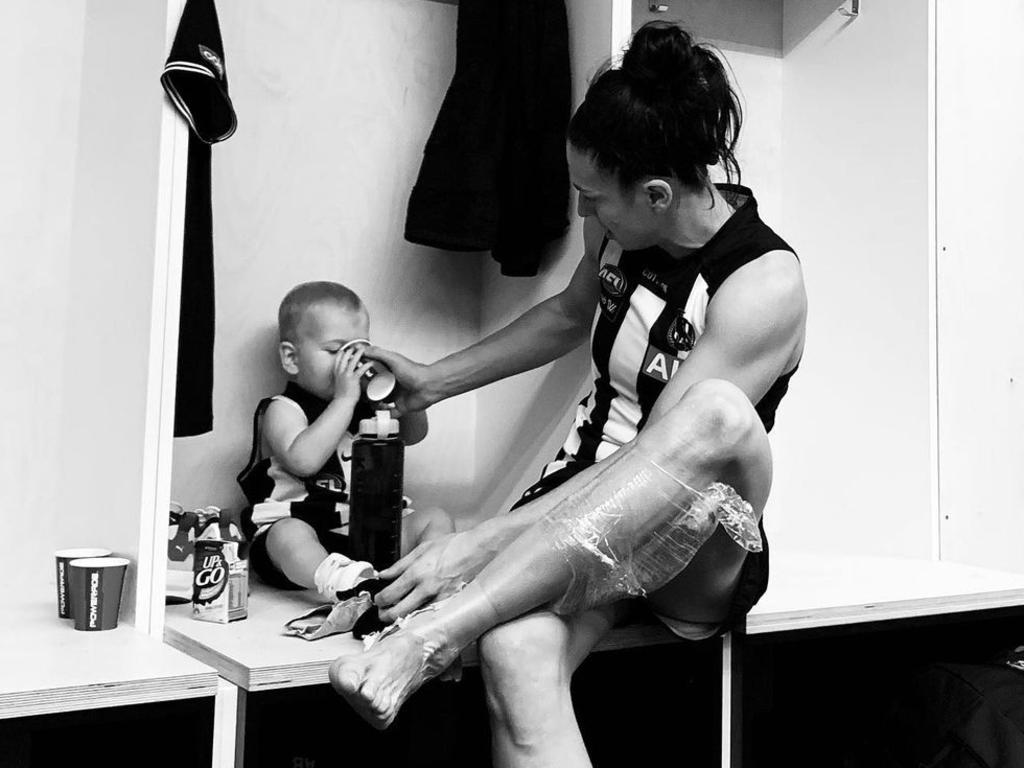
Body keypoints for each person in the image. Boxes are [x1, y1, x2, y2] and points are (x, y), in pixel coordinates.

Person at [330, 21, 807, 763]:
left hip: (697, 542)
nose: (583, 214)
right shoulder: (623, 231)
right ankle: (453, 629)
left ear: (654, 194)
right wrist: (435, 380)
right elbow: (567, 314)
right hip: (583, 514)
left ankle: (431, 640)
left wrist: (486, 542)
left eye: (593, 199)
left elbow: (658, 459)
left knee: (716, 413)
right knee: (516, 648)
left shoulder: (762, 282)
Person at [237, 281, 453, 600]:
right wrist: (343, 401)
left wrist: (406, 399)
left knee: (436, 518)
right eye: (337, 351)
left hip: (366, 534)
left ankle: (427, 579)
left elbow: (413, 435)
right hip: (305, 530)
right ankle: (338, 581)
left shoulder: (365, 402)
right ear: (291, 358)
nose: (350, 364)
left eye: (358, 350)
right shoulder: (283, 409)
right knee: (287, 535)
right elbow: (303, 460)